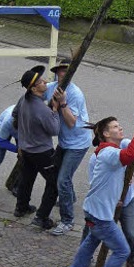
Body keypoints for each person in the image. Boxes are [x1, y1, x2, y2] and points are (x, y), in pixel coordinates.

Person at [63, 110, 134, 267]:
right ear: (105, 134)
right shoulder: (109, 153)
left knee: (91, 241)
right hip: (100, 214)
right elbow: (129, 155)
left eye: (119, 125)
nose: (119, 128)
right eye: (114, 127)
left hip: (95, 209)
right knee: (122, 251)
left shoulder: (112, 150)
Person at [44, 58, 91, 236]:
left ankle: (67, 221)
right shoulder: (51, 87)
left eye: (66, 70)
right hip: (65, 141)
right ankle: (69, 197)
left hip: (78, 143)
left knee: (63, 179)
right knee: (61, 174)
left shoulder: (75, 94)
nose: (62, 74)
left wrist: (62, 103)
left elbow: (71, 123)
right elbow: (41, 96)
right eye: (60, 71)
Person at [12, 66, 61, 230]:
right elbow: (54, 130)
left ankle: (21, 207)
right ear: (34, 88)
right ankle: (41, 217)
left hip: (26, 150)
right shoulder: (41, 109)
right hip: (42, 152)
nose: (45, 81)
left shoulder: (23, 100)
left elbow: (15, 115)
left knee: (27, 179)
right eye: (41, 81)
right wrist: (54, 110)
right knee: (55, 183)